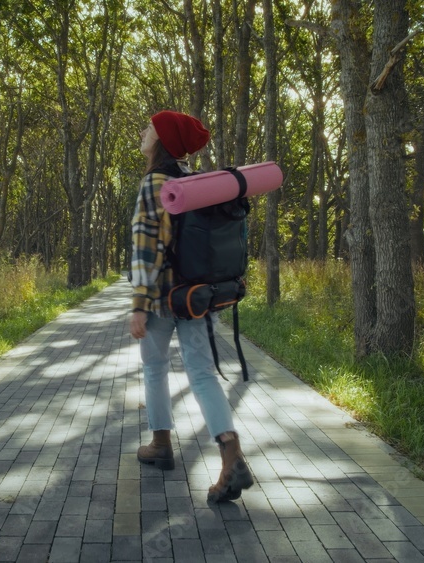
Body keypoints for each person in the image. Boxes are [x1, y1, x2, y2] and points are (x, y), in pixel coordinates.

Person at [129, 110, 253, 503]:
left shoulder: (155, 183)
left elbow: (147, 248)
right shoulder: (198, 184)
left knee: (154, 366)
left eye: (150, 127)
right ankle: (230, 451)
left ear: (162, 139)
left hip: (163, 297)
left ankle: (161, 444)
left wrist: (138, 304)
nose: (144, 131)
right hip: (199, 297)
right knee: (202, 374)